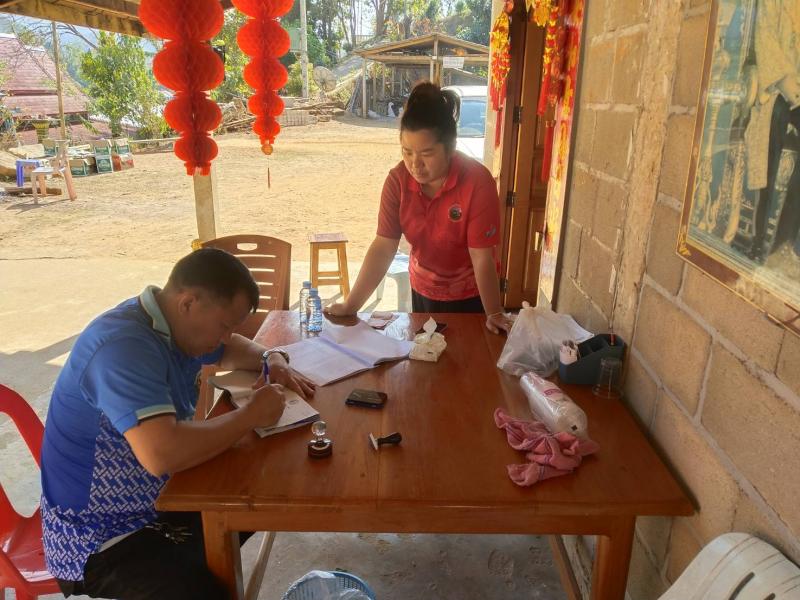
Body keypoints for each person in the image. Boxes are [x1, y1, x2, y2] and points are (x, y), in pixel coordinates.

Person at [40, 248, 315, 599]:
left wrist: (271, 357)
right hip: (100, 536)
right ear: (188, 303)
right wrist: (250, 416)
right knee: (207, 589)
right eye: (224, 325)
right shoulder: (122, 348)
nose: (226, 336)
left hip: (160, 497)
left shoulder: (172, 326)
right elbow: (162, 454)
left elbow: (231, 349)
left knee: (252, 501)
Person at [326, 82, 512, 334]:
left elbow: (482, 257)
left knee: (467, 354)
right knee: (426, 349)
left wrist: (494, 313)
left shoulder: (477, 182)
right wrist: (351, 305)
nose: (415, 164)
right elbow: (384, 246)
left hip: (470, 295)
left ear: (450, 147)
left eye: (427, 153)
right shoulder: (397, 181)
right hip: (423, 289)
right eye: (407, 152)